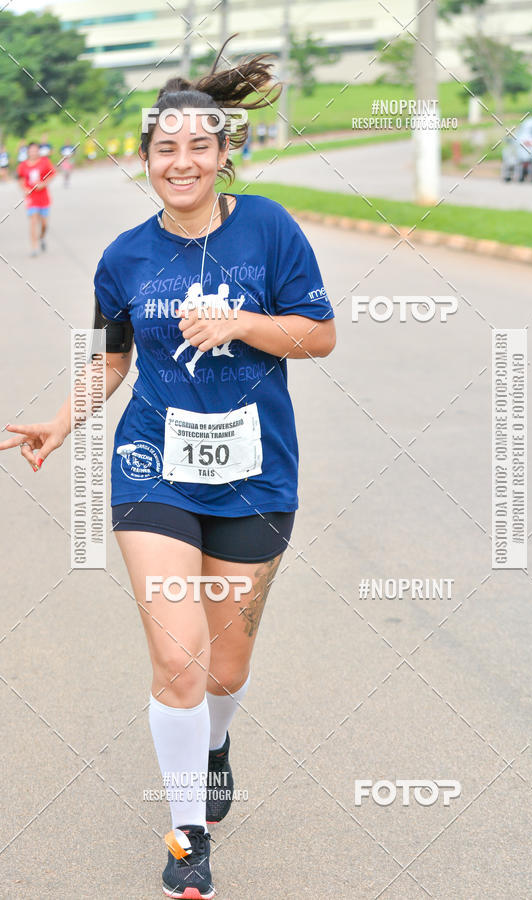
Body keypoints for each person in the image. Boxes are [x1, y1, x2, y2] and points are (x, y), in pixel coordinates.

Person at [1, 36, 336, 899]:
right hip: (153, 467)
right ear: (146, 161)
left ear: (226, 154)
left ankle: (216, 743)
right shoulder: (125, 257)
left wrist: (244, 325)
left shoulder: (269, 229)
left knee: (224, 672)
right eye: (165, 148)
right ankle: (189, 836)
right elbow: (113, 358)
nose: (181, 162)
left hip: (257, 476)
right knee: (179, 660)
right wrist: (62, 419)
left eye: (199, 146)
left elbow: (320, 334)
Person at [16, 141, 56, 256]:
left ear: (38, 151)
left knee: (44, 224)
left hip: (43, 197)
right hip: (31, 198)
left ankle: (42, 237)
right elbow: (20, 179)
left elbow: (53, 174)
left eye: (35, 150)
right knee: (33, 221)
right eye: (31, 150)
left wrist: (44, 183)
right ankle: (34, 247)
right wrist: (24, 189)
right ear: (28, 152)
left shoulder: (45, 162)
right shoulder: (23, 165)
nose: (33, 152)